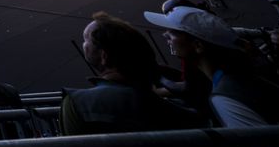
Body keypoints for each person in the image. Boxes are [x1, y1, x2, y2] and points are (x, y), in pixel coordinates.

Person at [144, 6, 279, 128]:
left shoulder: (225, 98)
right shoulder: (242, 74)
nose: (165, 35)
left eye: (173, 32)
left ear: (198, 46)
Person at [61, 11, 202, 134]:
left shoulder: (76, 104)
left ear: (104, 56)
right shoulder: (182, 114)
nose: (84, 44)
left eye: (86, 40)